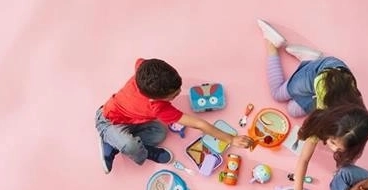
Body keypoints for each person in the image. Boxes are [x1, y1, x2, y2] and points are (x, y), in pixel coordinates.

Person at [256, 19, 368, 190]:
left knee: (293, 110)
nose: (332, 148)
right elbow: (304, 158)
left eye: (337, 146)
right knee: (277, 94)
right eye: (333, 142)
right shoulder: (325, 118)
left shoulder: (358, 123)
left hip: (334, 86)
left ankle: (309, 59)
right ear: (330, 123)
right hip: (320, 74)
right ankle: (273, 44)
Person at [95, 58, 253, 173]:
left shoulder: (143, 67)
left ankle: (119, 141)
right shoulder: (159, 108)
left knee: (160, 133)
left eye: (179, 88)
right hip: (108, 121)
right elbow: (199, 124)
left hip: (134, 120)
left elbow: (140, 61)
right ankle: (112, 142)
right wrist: (231, 139)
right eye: (173, 95)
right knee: (131, 146)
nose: (179, 93)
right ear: (156, 99)